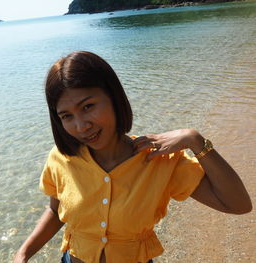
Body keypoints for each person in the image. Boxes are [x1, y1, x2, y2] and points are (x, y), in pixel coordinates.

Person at [13, 51, 252, 263]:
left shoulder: (161, 161)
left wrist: (195, 140)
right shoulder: (61, 158)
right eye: (66, 116)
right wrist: (22, 254)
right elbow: (56, 212)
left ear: (114, 98)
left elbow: (238, 205)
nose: (81, 126)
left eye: (88, 107)